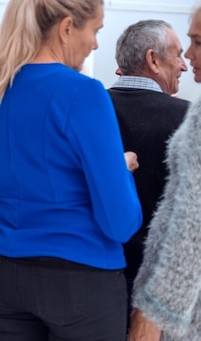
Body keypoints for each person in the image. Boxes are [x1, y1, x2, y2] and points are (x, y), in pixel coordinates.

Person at [0, 0, 142, 339]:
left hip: (4, 274)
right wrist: (120, 169)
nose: (95, 43)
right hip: (81, 281)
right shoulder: (84, 93)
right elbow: (120, 223)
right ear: (66, 28)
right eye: (95, 30)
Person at [129, 7, 201, 340]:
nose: (188, 56)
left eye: (198, 42)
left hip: (178, 310)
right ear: (153, 60)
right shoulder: (190, 112)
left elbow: (192, 225)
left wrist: (153, 314)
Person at [108, 19, 189, 311]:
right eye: (178, 53)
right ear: (153, 60)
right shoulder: (188, 119)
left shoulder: (87, 109)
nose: (185, 65)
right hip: (157, 284)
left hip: (90, 274)